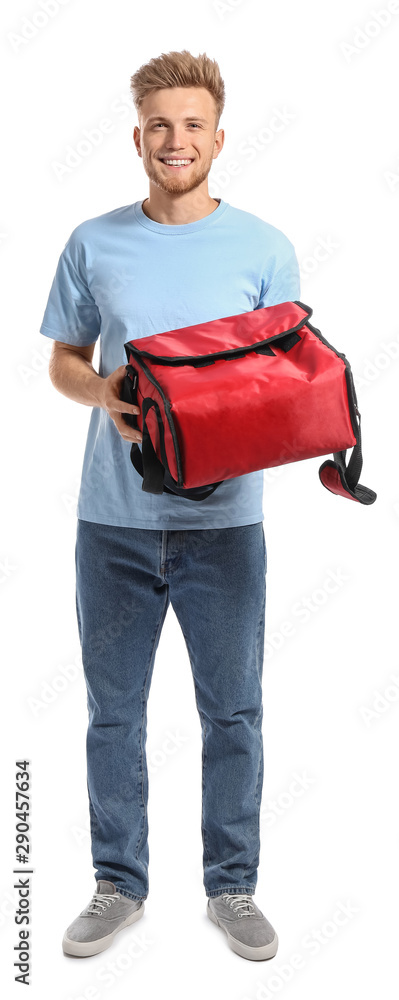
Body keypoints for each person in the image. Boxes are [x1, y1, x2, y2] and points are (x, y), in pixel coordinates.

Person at [40, 49, 300, 962]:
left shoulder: (264, 247)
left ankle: (231, 886)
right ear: (137, 137)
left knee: (232, 713)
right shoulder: (92, 240)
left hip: (226, 528)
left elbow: (286, 382)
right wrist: (102, 391)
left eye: (192, 125)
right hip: (110, 523)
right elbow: (63, 361)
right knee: (113, 713)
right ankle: (119, 882)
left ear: (218, 138)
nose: (175, 140)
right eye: (159, 125)